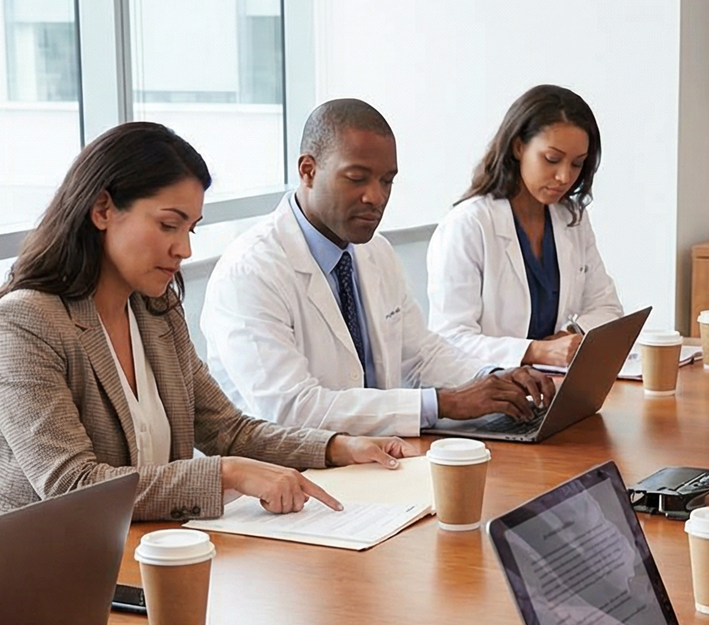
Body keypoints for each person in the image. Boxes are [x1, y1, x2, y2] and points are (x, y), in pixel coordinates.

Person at [0, 122, 416, 526]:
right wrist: (228, 472)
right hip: (30, 570)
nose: (183, 249)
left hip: (140, 552)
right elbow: (72, 486)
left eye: (191, 229)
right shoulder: (24, 323)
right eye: (168, 225)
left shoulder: (155, 311)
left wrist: (337, 447)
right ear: (102, 210)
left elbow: (228, 431)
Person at [202, 99, 557, 436]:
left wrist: (495, 379)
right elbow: (292, 409)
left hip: (376, 456)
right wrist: (444, 403)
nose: (377, 197)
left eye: (387, 180)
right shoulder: (250, 271)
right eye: (357, 178)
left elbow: (419, 355)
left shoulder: (374, 251)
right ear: (308, 171)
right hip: (293, 479)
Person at [425, 85, 623, 369]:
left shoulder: (571, 217)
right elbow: (449, 340)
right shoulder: (469, 225)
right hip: (491, 391)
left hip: (554, 383)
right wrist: (536, 351)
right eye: (552, 159)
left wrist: (569, 336)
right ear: (518, 147)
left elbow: (608, 308)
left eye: (578, 164)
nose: (564, 176)